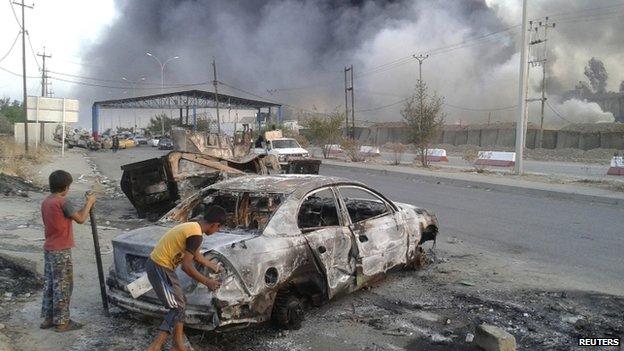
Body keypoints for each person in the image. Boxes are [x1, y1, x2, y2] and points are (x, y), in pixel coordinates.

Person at [146, 206, 226, 351]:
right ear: (216, 224)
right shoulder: (196, 236)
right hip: (160, 267)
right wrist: (207, 281)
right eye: (218, 229)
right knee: (177, 307)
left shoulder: (193, 227)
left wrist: (212, 265)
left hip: (162, 267)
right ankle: (155, 346)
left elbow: (197, 256)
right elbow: (186, 267)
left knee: (181, 303)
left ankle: (177, 344)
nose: (217, 232)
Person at [40, 170, 96, 332]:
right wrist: (90, 203)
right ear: (65, 187)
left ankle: (48, 318)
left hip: (49, 249)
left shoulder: (46, 201)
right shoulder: (63, 202)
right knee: (63, 285)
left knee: (51, 284)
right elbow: (80, 219)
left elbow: (67, 215)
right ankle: (62, 322)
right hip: (61, 250)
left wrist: (83, 206)